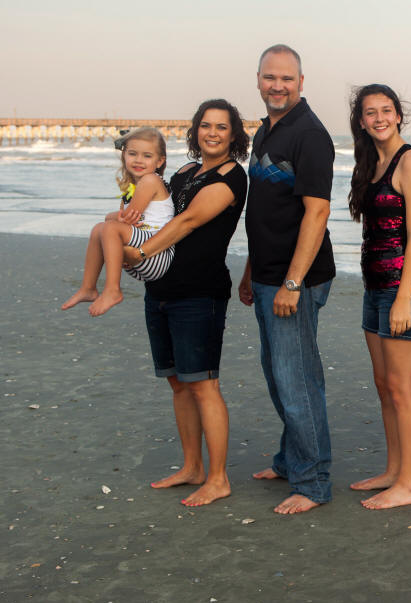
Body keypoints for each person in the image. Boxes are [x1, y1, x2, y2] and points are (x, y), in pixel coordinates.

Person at [123, 99, 249, 506]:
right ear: (195, 131)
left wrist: (140, 253)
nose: (212, 133)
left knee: (204, 384)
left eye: (222, 127)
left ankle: (218, 478)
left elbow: (188, 221)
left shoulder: (232, 178)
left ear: (233, 135)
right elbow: (154, 212)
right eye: (205, 125)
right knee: (178, 383)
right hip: (161, 289)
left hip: (199, 293)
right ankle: (192, 466)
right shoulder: (181, 172)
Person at [238, 44, 337, 515]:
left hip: (297, 279)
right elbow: (264, 210)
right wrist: (250, 270)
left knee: (296, 381)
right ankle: (288, 459)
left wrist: (292, 284)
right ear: (258, 79)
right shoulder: (266, 129)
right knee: (278, 376)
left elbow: (317, 213)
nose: (277, 85)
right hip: (266, 274)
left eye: (286, 78)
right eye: (269, 77)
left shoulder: (310, 135)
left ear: (301, 82)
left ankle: (313, 482)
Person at [346, 84, 411, 510]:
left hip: (401, 290)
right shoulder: (371, 162)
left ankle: (409, 484)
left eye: (386, 110)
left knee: (401, 389)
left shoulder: (410, 162)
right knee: (384, 386)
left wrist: (404, 297)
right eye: (370, 112)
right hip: (373, 288)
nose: (379, 118)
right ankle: (393, 471)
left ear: (398, 115)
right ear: (361, 121)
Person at [61, 127, 175, 316]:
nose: (138, 160)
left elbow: (125, 217)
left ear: (160, 161)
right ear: (124, 155)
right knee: (99, 229)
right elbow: (122, 219)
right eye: (132, 154)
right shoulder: (132, 188)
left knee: (109, 227)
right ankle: (88, 288)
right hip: (137, 259)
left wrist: (113, 217)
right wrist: (115, 219)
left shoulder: (150, 181)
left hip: (156, 253)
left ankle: (112, 290)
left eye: (147, 156)